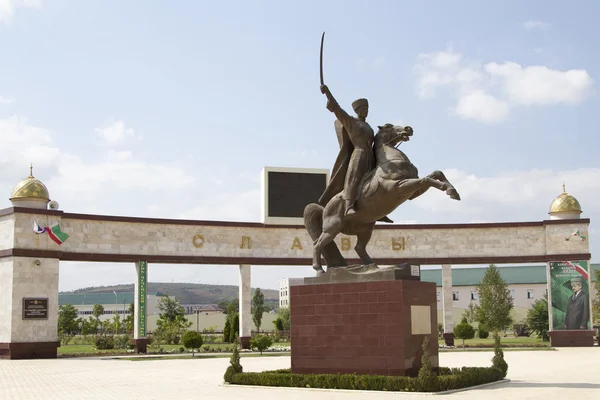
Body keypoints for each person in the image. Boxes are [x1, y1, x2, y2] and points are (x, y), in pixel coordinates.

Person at [318, 84, 392, 222]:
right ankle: (348, 206)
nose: (365, 111)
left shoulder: (368, 126)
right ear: (357, 110)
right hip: (359, 155)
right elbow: (337, 109)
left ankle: (378, 208)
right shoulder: (351, 122)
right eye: (363, 109)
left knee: (379, 179)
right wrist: (327, 93)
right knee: (354, 179)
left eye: (367, 109)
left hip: (370, 156)